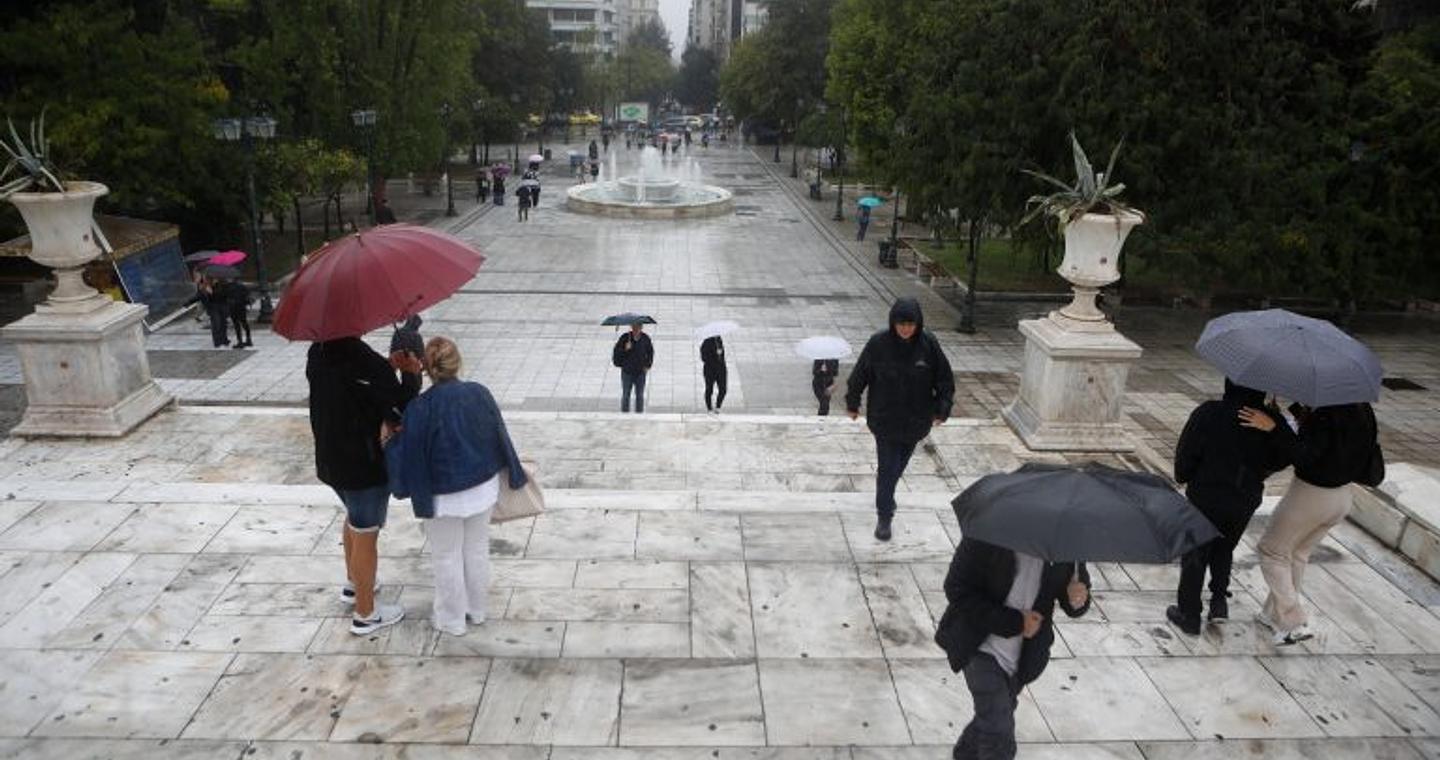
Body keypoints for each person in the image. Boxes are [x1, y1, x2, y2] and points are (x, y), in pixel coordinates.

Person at [386, 337, 526, 636]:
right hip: (482, 488)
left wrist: (390, 441)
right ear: (457, 362)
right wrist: (514, 474)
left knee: (446, 556)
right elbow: (498, 434)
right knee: (476, 550)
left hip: (442, 497)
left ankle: (451, 619)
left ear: (426, 368)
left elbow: (411, 458)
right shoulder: (479, 393)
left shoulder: (419, 407)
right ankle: (477, 610)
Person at [934, 537, 1091, 760]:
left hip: (1023, 658)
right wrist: (1016, 622)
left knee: (994, 715)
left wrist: (1078, 597)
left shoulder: (1064, 540)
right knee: (999, 734)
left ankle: (965, 754)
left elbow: (1073, 601)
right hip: (980, 645)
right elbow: (956, 588)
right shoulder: (988, 532)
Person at [307, 335, 422, 635]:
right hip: (364, 465)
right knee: (366, 534)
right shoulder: (367, 363)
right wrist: (411, 375)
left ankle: (353, 583)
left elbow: (350, 388)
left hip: (331, 459)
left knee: (355, 519)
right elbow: (399, 412)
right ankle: (366, 613)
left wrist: (386, 368)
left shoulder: (318, 352)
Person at [1240, 400, 1381, 645]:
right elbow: (1335, 446)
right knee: (1297, 554)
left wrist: (1274, 427)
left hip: (1311, 496)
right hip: (1342, 497)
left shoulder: (1326, 414)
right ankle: (1272, 615)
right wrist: (1298, 415)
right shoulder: (1361, 408)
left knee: (1271, 550)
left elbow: (1303, 456)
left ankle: (1292, 620)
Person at [1164, 381, 1290, 635]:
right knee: (1224, 547)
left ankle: (1189, 615)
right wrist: (1276, 427)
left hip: (1206, 496)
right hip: (1243, 499)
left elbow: (1187, 454)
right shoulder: (1269, 420)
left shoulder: (1209, 413)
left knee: (1196, 554)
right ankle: (1219, 601)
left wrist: (1185, 475)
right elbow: (1283, 458)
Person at [845, 298, 955, 541]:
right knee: (888, 468)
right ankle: (884, 515)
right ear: (893, 322)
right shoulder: (878, 343)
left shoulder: (929, 344)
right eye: (901, 324)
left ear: (918, 324)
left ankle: (887, 494)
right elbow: (859, 375)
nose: (905, 329)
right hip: (884, 417)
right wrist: (853, 403)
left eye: (910, 324)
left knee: (898, 467)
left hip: (916, 419)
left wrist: (942, 408)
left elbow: (944, 380)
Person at [612, 320, 654, 413]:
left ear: (641, 327)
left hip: (640, 373)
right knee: (626, 395)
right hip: (627, 372)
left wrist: (648, 365)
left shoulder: (645, 338)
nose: (636, 329)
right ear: (631, 327)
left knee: (640, 396)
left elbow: (650, 352)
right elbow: (617, 353)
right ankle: (624, 414)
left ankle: (639, 415)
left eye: (638, 327)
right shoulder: (625, 338)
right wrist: (625, 349)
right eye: (634, 327)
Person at [700, 335, 727, 414]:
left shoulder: (719, 340)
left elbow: (722, 355)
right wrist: (715, 353)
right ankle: (709, 408)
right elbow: (704, 358)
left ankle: (718, 406)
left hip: (721, 369)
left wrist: (720, 354)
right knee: (709, 389)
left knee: (723, 389)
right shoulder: (706, 342)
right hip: (710, 370)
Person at [226, 278, 253, 349]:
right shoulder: (242, 286)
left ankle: (240, 341)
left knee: (236, 324)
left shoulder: (228, 287)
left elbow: (225, 297)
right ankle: (248, 339)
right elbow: (247, 296)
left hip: (233, 307)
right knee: (244, 322)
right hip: (242, 307)